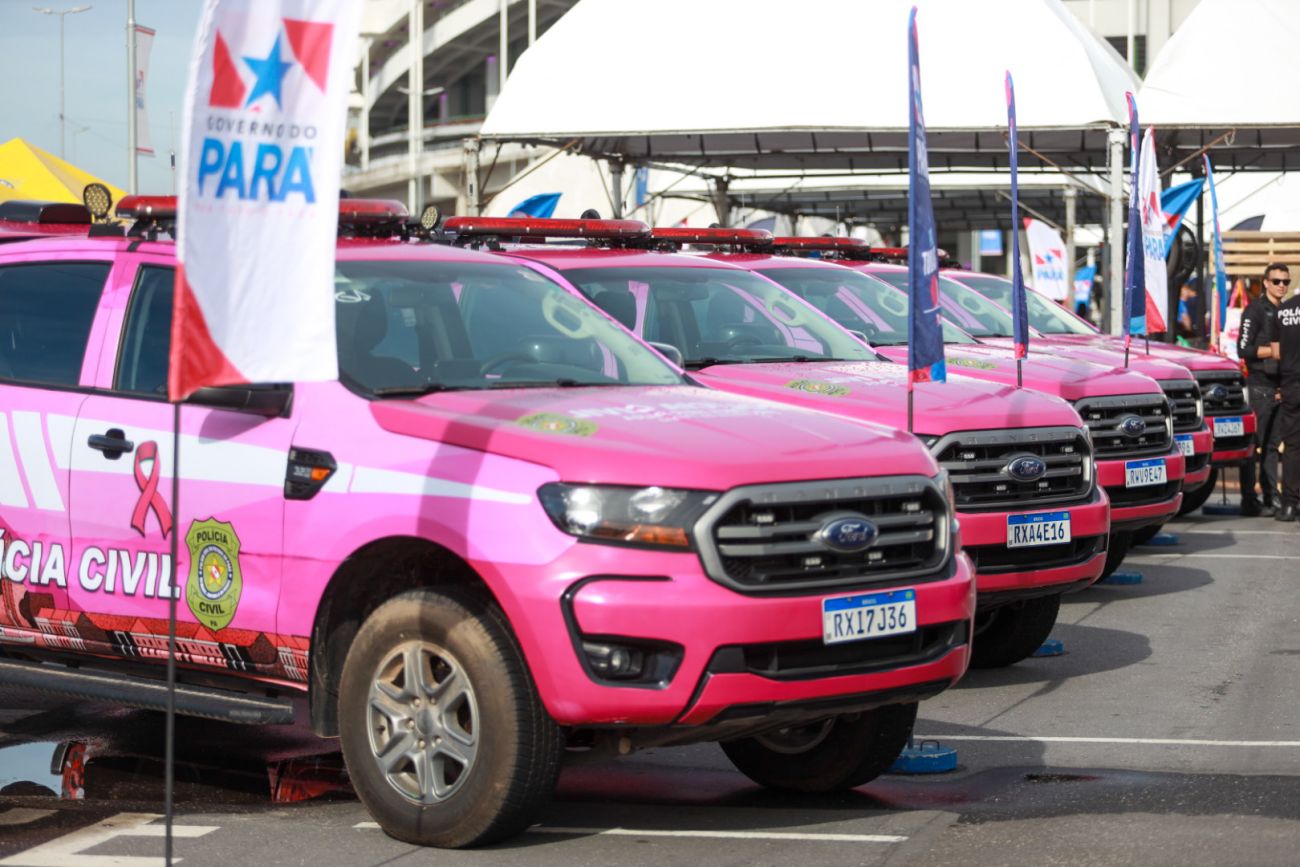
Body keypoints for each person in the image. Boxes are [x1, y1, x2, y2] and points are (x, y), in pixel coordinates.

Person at [1237, 263, 1289, 517]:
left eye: (1285, 282)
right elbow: (1243, 349)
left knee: (1272, 446)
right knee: (1253, 445)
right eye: (1277, 281)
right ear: (1266, 282)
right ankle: (1249, 499)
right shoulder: (1255, 310)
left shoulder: (1286, 311)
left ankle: (1271, 496)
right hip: (1259, 387)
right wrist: (1274, 351)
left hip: (1281, 387)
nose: (1281, 286)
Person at [1273, 276, 1300, 521]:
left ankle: (1290, 505)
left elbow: (1275, 351)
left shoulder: (1283, 310)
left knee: (1292, 447)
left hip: (1291, 384)